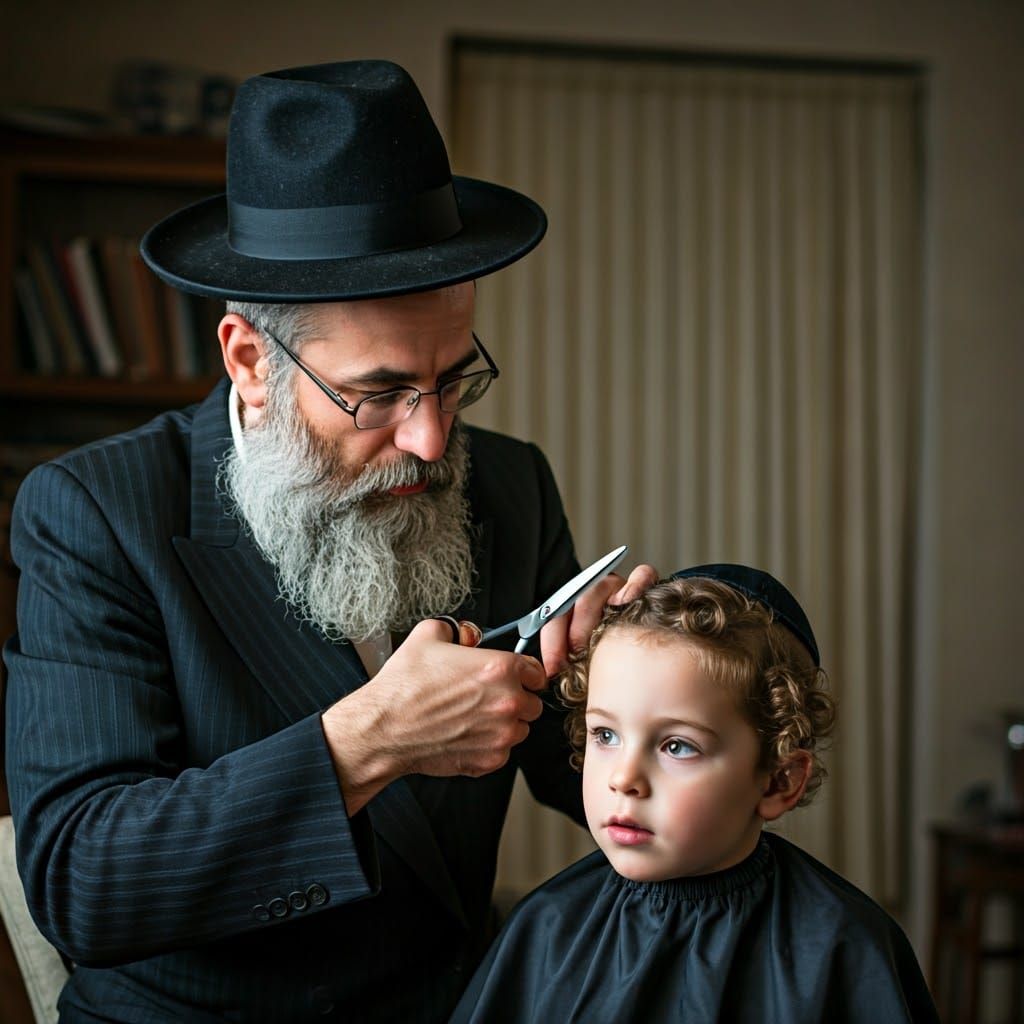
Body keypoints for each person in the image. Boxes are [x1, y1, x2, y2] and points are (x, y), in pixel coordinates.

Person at [3, 60, 654, 1023]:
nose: (431, 440)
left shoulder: (509, 485)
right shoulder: (96, 513)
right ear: (249, 363)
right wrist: (369, 742)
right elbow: (84, 882)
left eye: (452, 380)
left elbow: (586, 767)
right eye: (380, 393)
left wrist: (653, 666)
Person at [451, 564, 940, 1023]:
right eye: (605, 735)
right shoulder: (548, 927)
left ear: (778, 780)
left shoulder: (843, 946)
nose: (624, 778)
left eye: (676, 745)